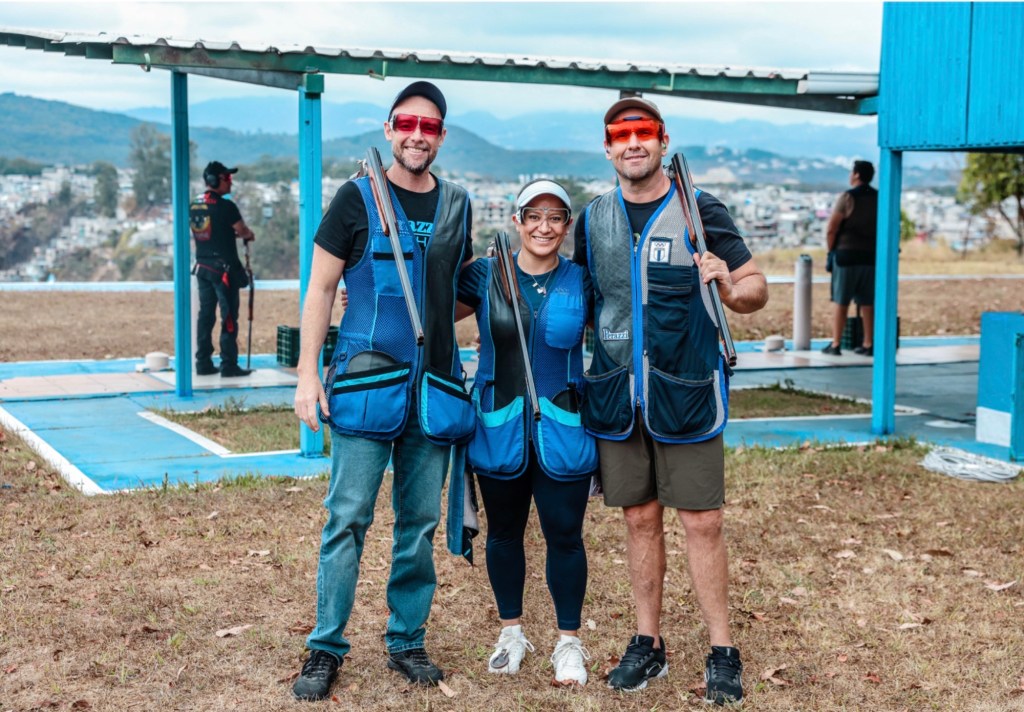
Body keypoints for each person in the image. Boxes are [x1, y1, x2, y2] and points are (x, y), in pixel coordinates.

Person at [573, 96, 768, 704]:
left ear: (662, 140)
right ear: (607, 148)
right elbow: (568, 296)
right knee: (638, 519)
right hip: (618, 398)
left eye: (644, 132)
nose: (633, 143)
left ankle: (722, 650)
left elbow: (757, 288)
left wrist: (730, 288)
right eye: (621, 135)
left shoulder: (699, 209)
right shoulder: (593, 219)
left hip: (686, 392)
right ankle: (647, 643)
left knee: (703, 523)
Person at [290, 81, 474, 701]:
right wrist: (307, 374)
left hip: (435, 391)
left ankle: (406, 639)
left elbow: (456, 297)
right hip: (366, 385)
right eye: (407, 123)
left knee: (418, 523)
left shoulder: (457, 205)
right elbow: (320, 289)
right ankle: (324, 647)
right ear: (390, 128)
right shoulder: (355, 197)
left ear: (441, 136)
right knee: (347, 519)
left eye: (430, 127)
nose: (417, 135)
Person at [456, 180, 595, 686]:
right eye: (533, 215)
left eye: (555, 217)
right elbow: (432, 305)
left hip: (565, 428)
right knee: (504, 534)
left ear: (566, 225)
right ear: (516, 220)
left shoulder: (582, 279)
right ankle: (511, 632)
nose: (543, 226)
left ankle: (568, 643)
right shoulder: (485, 274)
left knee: (565, 536)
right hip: (498, 425)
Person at [189, 160, 255, 377]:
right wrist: (246, 235)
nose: (230, 183)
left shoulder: (195, 205)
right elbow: (243, 230)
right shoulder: (226, 206)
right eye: (227, 178)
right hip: (224, 271)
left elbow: (210, 232)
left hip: (202, 267)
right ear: (214, 180)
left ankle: (203, 362)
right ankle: (228, 364)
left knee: (205, 316)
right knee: (228, 317)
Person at [821, 160, 878, 357]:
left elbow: (832, 228)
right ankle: (869, 343)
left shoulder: (847, 197)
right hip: (871, 257)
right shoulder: (879, 197)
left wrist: (831, 251)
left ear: (856, 175)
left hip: (846, 256)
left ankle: (836, 344)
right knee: (868, 302)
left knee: (841, 301)